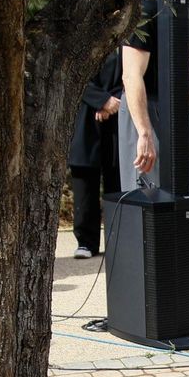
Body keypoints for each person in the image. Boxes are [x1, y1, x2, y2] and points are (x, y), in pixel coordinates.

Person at [120, 0, 189, 192]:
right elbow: (131, 75)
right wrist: (144, 133)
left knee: (187, 195)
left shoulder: (183, 12)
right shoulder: (145, 10)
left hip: (178, 111)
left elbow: (184, 65)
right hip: (147, 109)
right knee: (149, 198)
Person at [66, 51, 122, 260]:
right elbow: (72, 74)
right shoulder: (83, 37)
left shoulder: (127, 39)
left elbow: (132, 76)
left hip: (118, 116)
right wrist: (101, 100)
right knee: (84, 183)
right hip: (84, 118)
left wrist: (112, 102)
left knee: (116, 180)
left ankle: (117, 238)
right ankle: (86, 241)